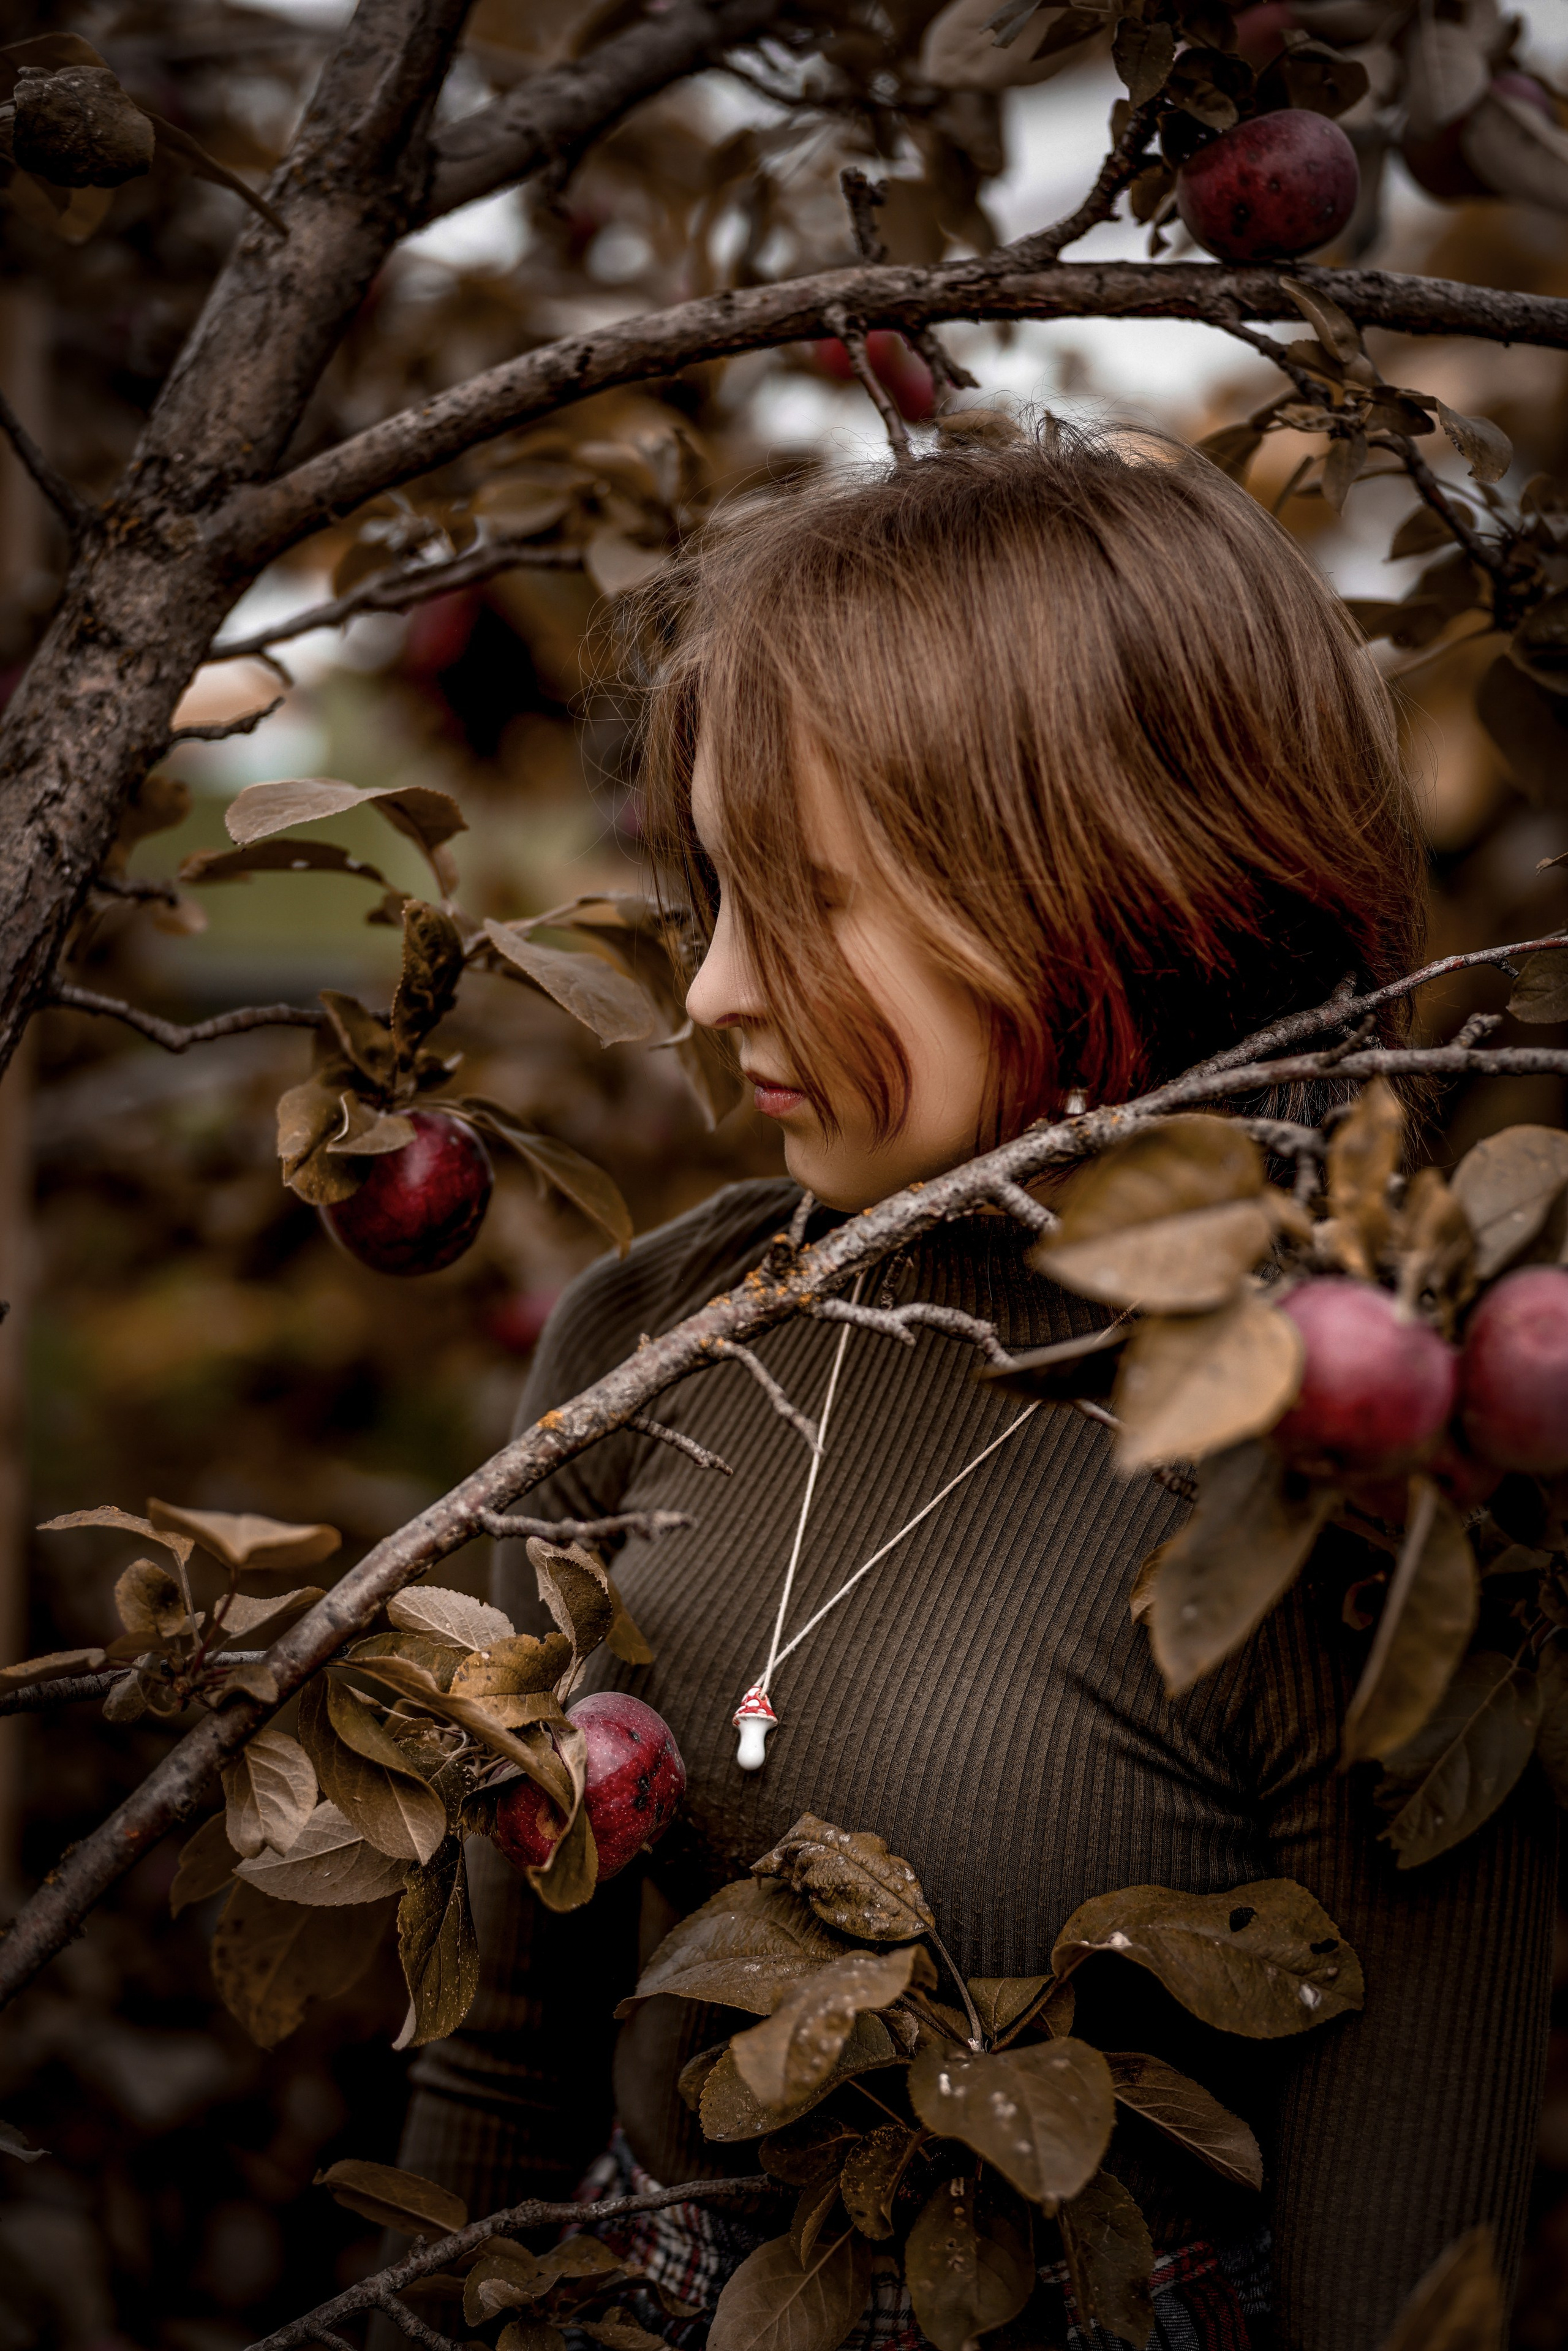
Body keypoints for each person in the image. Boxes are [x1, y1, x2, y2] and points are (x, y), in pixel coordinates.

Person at [391, 423, 1555, 2350]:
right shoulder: (648, 1344)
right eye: (711, 892)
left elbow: (1398, 2280)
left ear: (1113, 882)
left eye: (808, 898)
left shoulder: (1362, 1485)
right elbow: (499, 2079)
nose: (710, 993)